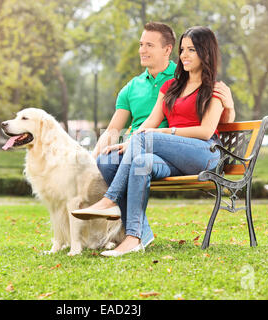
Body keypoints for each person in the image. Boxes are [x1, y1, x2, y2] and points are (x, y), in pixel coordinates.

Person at [81, 24, 235, 253]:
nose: (184, 55)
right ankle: (135, 238)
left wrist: (161, 133)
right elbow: (150, 123)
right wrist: (130, 143)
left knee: (144, 139)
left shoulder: (214, 88)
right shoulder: (171, 86)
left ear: (206, 53)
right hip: (176, 157)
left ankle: (109, 199)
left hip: (206, 154)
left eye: (191, 50)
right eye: (183, 50)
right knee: (138, 162)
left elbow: (205, 131)